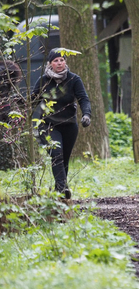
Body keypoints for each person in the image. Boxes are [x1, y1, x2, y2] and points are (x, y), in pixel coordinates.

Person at [32, 48, 91, 199]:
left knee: (63, 159)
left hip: (69, 125)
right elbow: (33, 100)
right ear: (50, 64)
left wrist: (86, 115)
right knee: (56, 154)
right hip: (48, 125)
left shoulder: (73, 79)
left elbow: (83, 99)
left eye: (62, 60)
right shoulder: (43, 80)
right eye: (56, 61)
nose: (59, 63)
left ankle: (60, 193)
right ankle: (62, 188)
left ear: (65, 62)